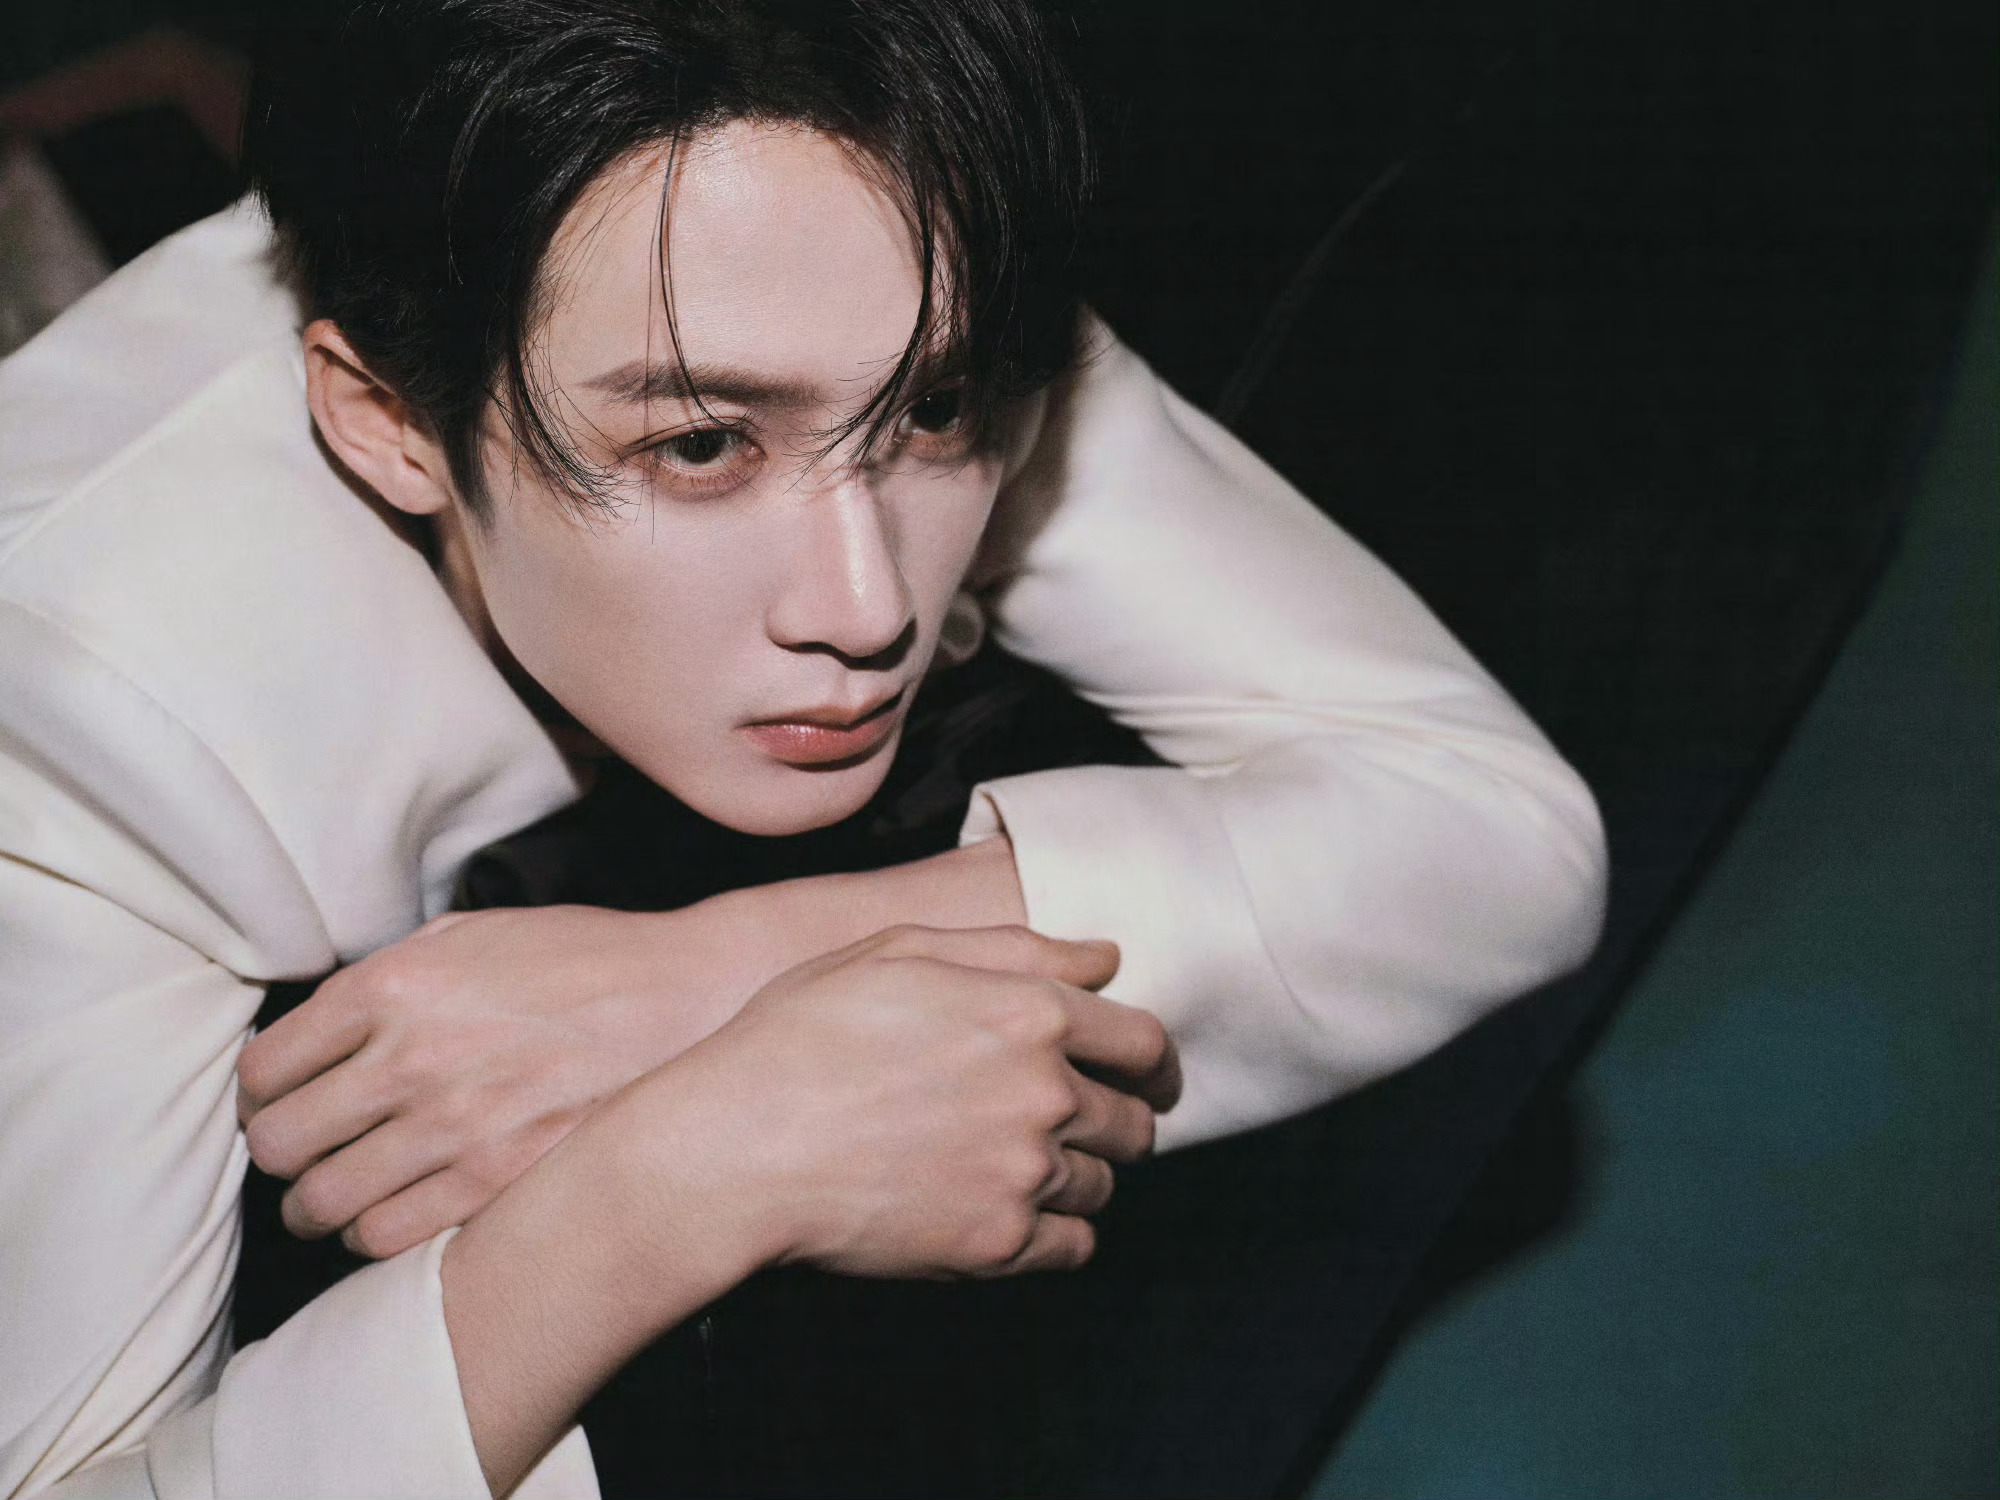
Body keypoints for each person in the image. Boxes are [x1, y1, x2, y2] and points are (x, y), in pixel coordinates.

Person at [0, 1, 1607, 1496]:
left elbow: (1497, 837)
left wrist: (711, 981)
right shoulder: (65, 720)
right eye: (704, 445)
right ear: (387, 422)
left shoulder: (875, 266)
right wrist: (689, 1172)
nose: (869, 607)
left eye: (936, 416)